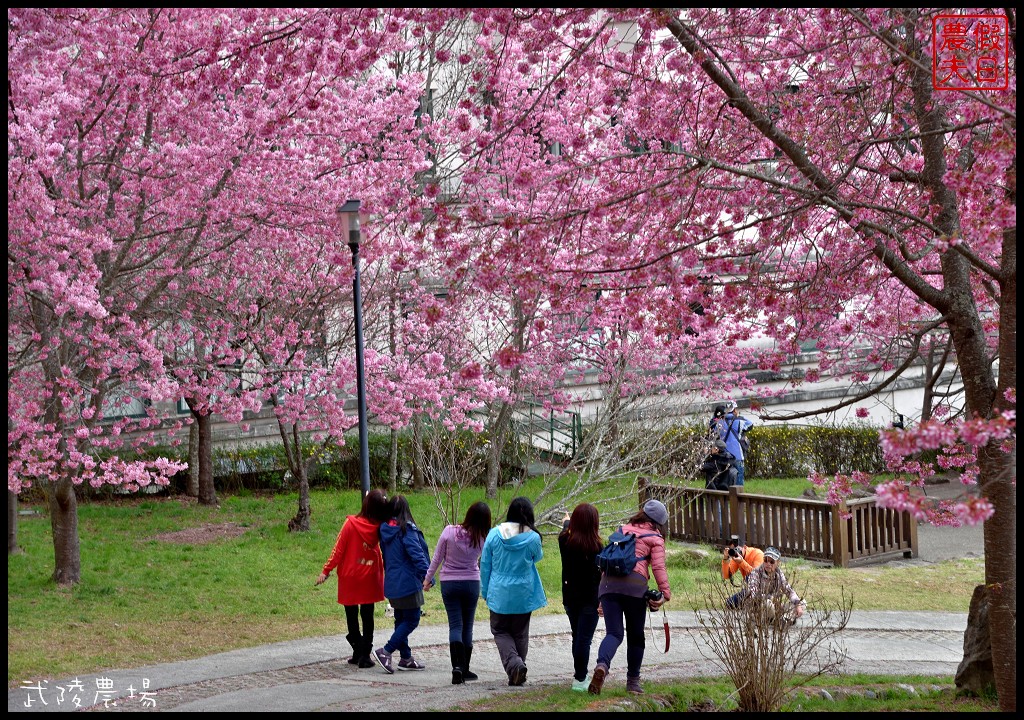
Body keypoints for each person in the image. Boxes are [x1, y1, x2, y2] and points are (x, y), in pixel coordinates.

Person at [588, 499, 672, 697]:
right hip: (635, 587)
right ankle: (633, 683)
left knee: (614, 634)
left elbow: (608, 562)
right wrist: (665, 595)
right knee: (635, 635)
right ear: (660, 522)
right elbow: (659, 568)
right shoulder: (655, 537)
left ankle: (602, 665)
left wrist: (602, 598)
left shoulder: (622, 530)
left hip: (608, 585)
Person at [316, 489, 391, 669]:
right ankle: (364, 654)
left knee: (351, 615)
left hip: (350, 576)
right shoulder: (382, 528)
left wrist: (326, 570)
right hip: (370, 576)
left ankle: (357, 648)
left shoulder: (350, 524)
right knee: (368, 616)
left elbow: (338, 550)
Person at [423, 501, 492, 685]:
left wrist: (428, 579)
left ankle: (456, 668)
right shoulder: (484, 537)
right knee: (467, 626)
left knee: (455, 625)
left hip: (449, 583)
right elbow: (486, 563)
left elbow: (437, 557)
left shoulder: (449, 531)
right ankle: (465, 668)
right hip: (471, 583)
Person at [480, 496, 546, 687]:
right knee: (520, 632)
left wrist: (485, 590)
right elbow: (537, 557)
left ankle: (515, 665)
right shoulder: (533, 537)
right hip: (524, 592)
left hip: (498, 591)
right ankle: (518, 669)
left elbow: (485, 564)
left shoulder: (494, 534)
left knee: (500, 630)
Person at [373, 495, 431, 674]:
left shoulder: (384, 529)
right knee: (412, 619)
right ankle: (386, 651)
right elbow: (417, 555)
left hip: (391, 582)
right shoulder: (406, 530)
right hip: (408, 583)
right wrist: (428, 576)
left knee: (400, 620)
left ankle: (406, 658)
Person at [558, 503, 604, 692]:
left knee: (577, 636)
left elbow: (566, 529)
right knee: (584, 639)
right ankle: (579, 679)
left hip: (570, 596)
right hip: (590, 598)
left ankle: (579, 675)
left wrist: (567, 521)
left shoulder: (564, 541)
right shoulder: (598, 547)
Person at [742, 546, 806, 627]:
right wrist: (770, 598)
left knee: (802, 602)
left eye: (772, 561)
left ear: (778, 562)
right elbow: (753, 594)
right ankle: (779, 621)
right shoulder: (756, 572)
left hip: (775, 607)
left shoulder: (779, 573)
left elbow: (788, 590)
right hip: (759, 608)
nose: (768, 564)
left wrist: (798, 604)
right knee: (768, 603)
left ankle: (783, 620)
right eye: (765, 560)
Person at [714, 400, 754, 486]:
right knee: (739, 480)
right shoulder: (739, 421)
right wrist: (739, 416)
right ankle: (738, 498)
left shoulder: (719, 423)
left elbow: (714, 436)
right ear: (735, 410)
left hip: (724, 455)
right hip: (737, 455)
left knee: (725, 480)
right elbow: (750, 425)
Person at [721, 535, 765, 608]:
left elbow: (756, 574)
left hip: (763, 586)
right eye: (733, 550)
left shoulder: (757, 554)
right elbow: (726, 575)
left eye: (737, 549)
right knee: (729, 603)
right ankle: (751, 602)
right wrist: (725, 558)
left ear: (744, 547)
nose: (736, 552)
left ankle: (757, 602)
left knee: (750, 577)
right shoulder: (736, 558)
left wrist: (742, 562)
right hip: (751, 589)